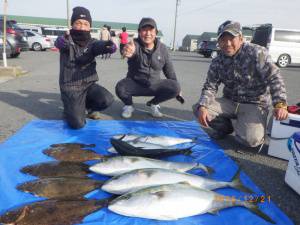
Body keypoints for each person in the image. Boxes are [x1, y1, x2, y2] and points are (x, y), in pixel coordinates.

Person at [193, 20, 288, 147]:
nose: (227, 43)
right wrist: (203, 106)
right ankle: (225, 128)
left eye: (231, 38)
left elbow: (274, 78)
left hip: (254, 103)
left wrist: (280, 104)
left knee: (251, 140)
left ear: (241, 38)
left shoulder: (257, 52)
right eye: (223, 39)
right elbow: (210, 86)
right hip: (230, 101)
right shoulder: (217, 60)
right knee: (199, 108)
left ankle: (246, 125)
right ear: (218, 41)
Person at [54, 6, 116, 129]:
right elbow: (60, 42)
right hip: (70, 87)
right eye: (78, 23)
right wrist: (59, 41)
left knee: (107, 99)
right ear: (72, 25)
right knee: (77, 124)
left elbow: (98, 46)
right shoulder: (66, 40)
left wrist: (108, 46)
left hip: (88, 84)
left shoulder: (92, 42)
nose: (82, 27)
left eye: (86, 24)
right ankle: (69, 107)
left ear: (89, 27)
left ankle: (90, 107)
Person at [115, 17, 182, 118]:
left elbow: (169, 71)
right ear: (139, 32)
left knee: (176, 87)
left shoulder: (163, 48)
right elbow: (130, 51)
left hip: (155, 85)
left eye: (151, 30)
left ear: (156, 32)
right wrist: (128, 51)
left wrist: (177, 90)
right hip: (135, 84)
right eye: (144, 30)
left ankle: (153, 103)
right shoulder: (134, 45)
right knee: (120, 87)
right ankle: (129, 105)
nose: (148, 33)